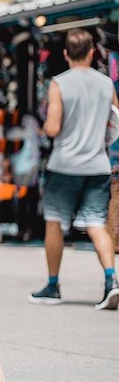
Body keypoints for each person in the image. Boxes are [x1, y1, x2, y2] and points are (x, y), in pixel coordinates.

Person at [29, 29, 119, 310]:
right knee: (95, 223)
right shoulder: (106, 84)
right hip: (97, 166)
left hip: (64, 166)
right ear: (93, 52)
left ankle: (53, 286)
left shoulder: (59, 83)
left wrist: (44, 128)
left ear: (66, 54)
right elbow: (116, 121)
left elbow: (54, 127)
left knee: (55, 222)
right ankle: (111, 281)